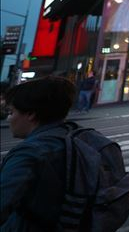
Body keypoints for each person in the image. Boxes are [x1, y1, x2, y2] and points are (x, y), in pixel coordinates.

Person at [0, 77, 76, 230]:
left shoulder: (30, 153)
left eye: (11, 112)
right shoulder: (76, 137)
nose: (9, 119)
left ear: (31, 114)